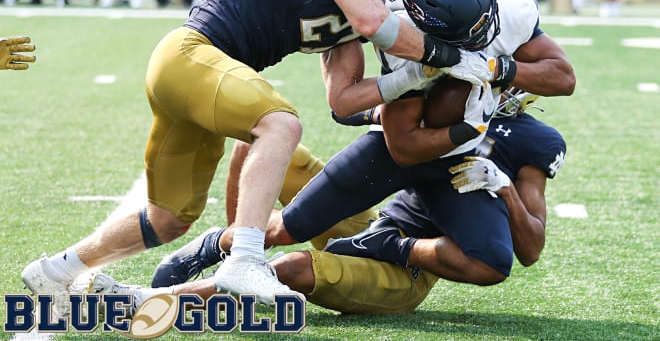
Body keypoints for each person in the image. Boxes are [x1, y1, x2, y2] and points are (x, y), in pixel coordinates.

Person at [22, 0, 488, 316]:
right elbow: (372, 20)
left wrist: (412, 76)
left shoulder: (354, 5)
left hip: (196, 77)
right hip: (191, 54)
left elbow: (344, 100)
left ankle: (56, 271)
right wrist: (442, 55)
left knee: (168, 218)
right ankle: (244, 258)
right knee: (280, 124)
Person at [90, 0, 574, 314]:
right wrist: (464, 124)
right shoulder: (408, 46)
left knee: (490, 259)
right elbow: (402, 144)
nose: (486, 35)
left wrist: (496, 70)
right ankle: (222, 247)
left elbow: (562, 77)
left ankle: (155, 301)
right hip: (409, 154)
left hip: (442, 192)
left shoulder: (518, 80)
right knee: (281, 225)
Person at [85, 88, 564, 315]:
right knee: (262, 147)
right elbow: (353, 105)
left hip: (409, 265)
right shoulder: (446, 88)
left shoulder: (534, 141)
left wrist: (501, 185)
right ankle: (229, 247)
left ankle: (148, 301)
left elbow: (530, 249)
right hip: (375, 221)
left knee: (294, 268)